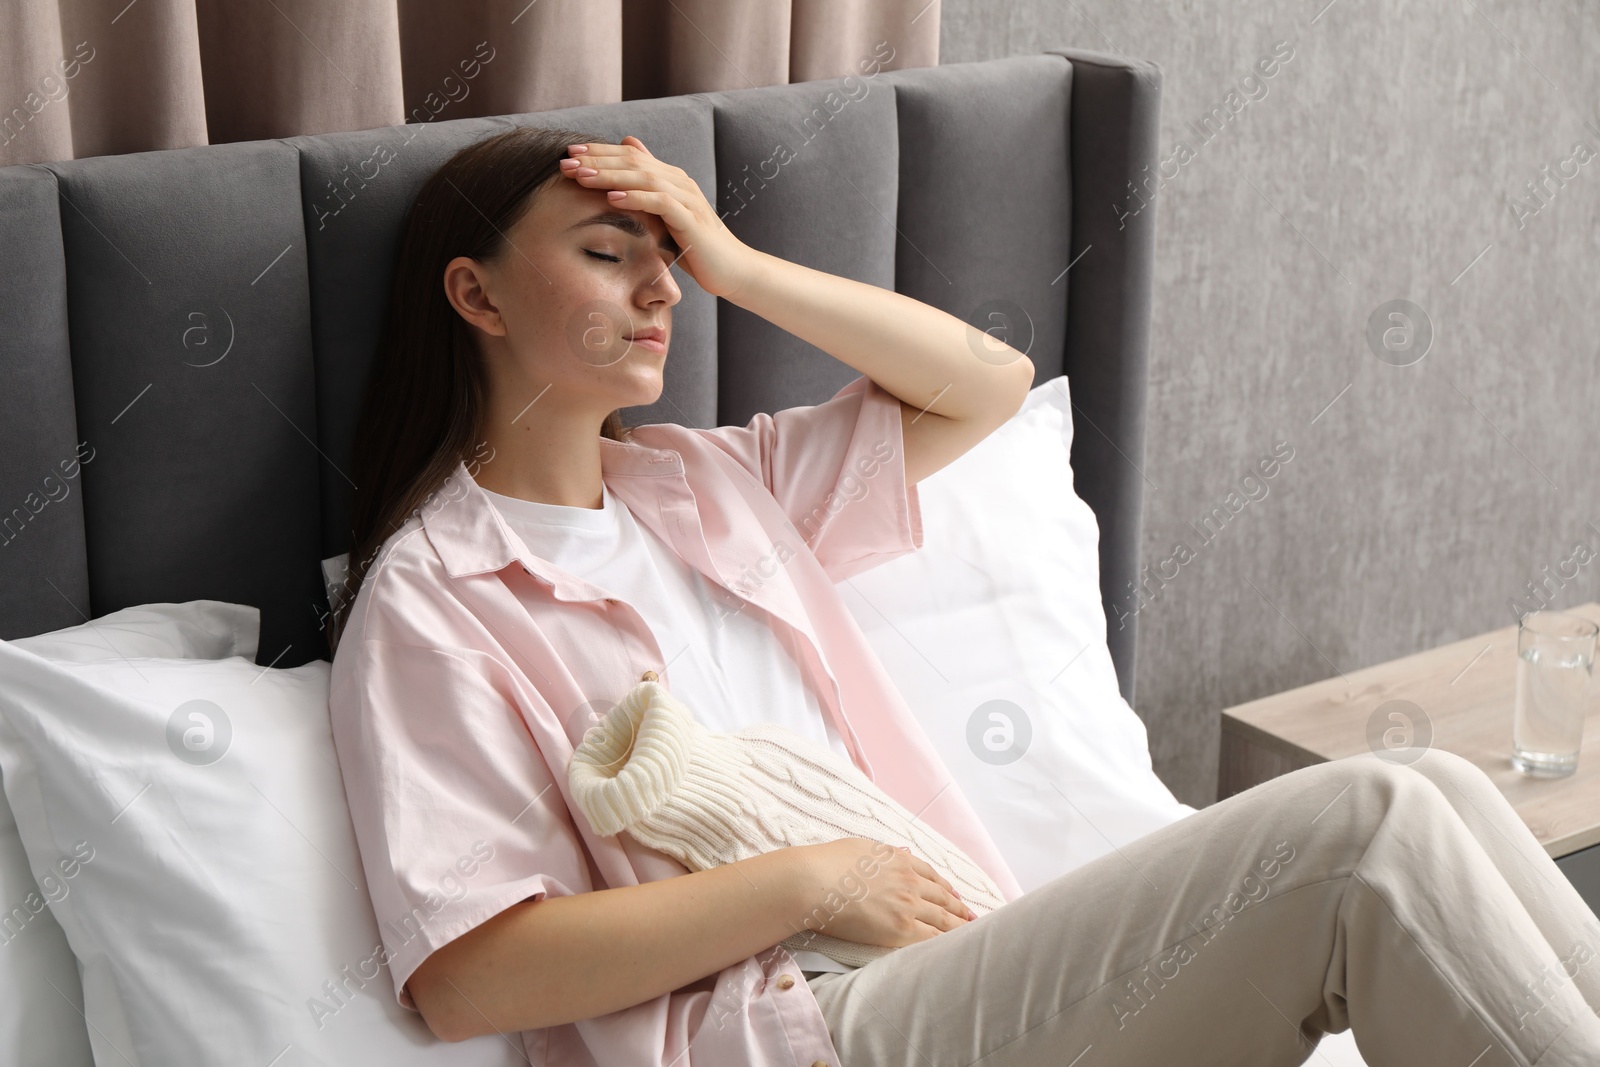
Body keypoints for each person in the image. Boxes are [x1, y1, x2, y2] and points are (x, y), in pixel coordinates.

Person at [324, 126, 1600, 1067]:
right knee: (1369, 818)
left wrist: (737, 260)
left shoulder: (704, 484)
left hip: (941, 957)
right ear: (474, 292)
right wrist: (810, 879)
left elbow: (984, 382)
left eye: (666, 259)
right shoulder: (435, 599)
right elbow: (468, 971)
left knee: (1438, 790)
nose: (661, 289)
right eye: (610, 254)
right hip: (796, 1025)